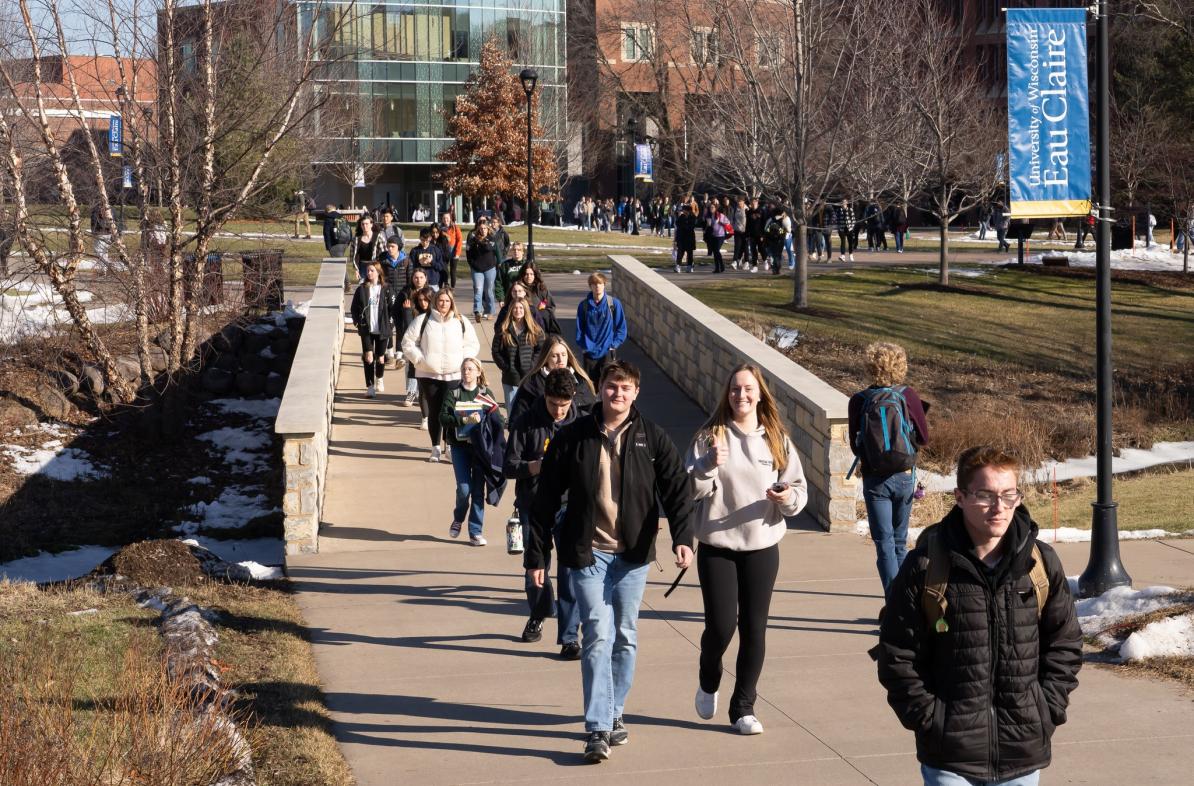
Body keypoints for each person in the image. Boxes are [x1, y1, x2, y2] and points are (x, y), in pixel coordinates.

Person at [874, 445, 1083, 786]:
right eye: (985, 495)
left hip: (1023, 752)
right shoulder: (926, 566)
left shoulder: (1040, 564)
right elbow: (897, 653)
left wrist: (1046, 709)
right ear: (960, 496)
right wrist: (931, 720)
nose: (999, 507)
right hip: (950, 755)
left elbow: (1066, 643)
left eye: (1009, 494)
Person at [526, 360, 696, 763]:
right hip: (588, 554)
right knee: (598, 636)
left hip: (633, 558)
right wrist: (537, 554)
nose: (617, 394)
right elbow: (546, 497)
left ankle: (615, 711)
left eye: (625, 388)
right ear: (600, 389)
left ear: (636, 393)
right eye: (610, 387)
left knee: (626, 636)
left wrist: (683, 539)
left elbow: (677, 490)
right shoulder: (574, 437)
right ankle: (599, 727)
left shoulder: (651, 438)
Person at [687, 364, 808, 736]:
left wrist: (786, 497)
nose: (741, 395)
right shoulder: (710, 436)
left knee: (754, 629)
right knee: (721, 627)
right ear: (727, 393)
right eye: (735, 388)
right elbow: (690, 490)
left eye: (748, 388)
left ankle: (743, 707)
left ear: (760, 394)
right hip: (718, 547)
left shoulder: (776, 439)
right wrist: (707, 465)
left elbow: (799, 493)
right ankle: (709, 679)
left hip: (761, 545)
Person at [505, 368, 583, 656]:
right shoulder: (526, 422)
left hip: (568, 506)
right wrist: (533, 467)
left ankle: (569, 637)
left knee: (570, 573)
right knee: (535, 571)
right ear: (545, 397)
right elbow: (508, 465)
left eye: (564, 405)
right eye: (553, 404)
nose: (559, 411)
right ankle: (538, 614)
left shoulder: (581, 424)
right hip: (533, 505)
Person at [849, 342, 930, 596]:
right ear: (901, 365)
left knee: (883, 544)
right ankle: (906, 602)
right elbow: (925, 439)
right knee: (899, 542)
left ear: (870, 366)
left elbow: (855, 445)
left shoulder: (859, 400)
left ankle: (894, 603)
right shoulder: (908, 396)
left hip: (875, 480)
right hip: (904, 477)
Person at [402, 288, 481, 462]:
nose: (443, 304)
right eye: (440, 301)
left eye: (447, 301)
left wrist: (463, 359)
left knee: (451, 412)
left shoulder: (461, 322)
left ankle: (450, 447)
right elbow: (407, 343)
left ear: (451, 302)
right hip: (428, 375)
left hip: (453, 375)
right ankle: (435, 448)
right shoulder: (422, 320)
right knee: (435, 411)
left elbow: (472, 344)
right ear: (435, 302)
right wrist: (419, 360)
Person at [441, 357, 503, 546]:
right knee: (464, 489)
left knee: (477, 490)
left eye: (470, 369)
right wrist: (464, 420)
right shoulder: (454, 393)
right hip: (459, 447)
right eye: (464, 369)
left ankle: (475, 532)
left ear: (478, 372)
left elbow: (497, 421)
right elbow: (443, 418)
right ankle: (459, 517)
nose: (466, 372)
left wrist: (494, 415)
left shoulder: (485, 393)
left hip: (480, 449)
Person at [509, 335, 597, 425]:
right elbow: (516, 420)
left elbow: (592, 414)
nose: (560, 360)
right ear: (546, 358)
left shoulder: (581, 381)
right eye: (554, 356)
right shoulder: (531, 385)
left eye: (563, 354)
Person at [349, 262, 395, 398]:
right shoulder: (362, 289)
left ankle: (379, 377)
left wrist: (390, 324)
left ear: (378, 272)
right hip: (366, 330)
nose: (369, 273)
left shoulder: (387, 289)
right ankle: (370, 386)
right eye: (367, 271)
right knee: (368, 357)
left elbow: (393, 309)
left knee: (380, 358)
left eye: (372, 271)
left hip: (382, 329)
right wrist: (357, 323)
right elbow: (354, 308)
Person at [491, 297, 545, 408]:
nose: (518, 310)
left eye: (521, 308)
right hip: (510, 377)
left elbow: (541, 349)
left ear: (526, 310)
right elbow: (496, 351)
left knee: (528, 410)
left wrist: (532, 365)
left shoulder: (534, 329)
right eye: (515, 308)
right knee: (512, 409)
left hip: (529, 377)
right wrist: (506, 367)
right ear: (511, 310)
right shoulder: (503, 329)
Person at [575, 272, 627, 382]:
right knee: (590, 385)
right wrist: (584, 346)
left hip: (607, 351)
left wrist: (614, 344)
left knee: (608, 383)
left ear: (604, 284)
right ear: (590, 286)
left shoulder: (613, 304)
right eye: (594, 284)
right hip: (589, 352)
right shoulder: (583, 306)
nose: (597, 286)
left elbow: (621, 328)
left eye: (600, 283)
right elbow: (579, 329)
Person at [396, 270, 430, 408]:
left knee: (424, 365)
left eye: (421, 277)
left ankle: (423, 392)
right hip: (411, 335)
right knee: (411, 364)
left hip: (427, 335)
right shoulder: (405, 293)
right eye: (416, 277)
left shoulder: (431, 293)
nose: (418, 280)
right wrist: (404, 316)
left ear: (426, 278)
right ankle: (411, 391)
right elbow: (396, 312)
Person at [466, 219, 501, 322]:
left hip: (490, 268)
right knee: (478, 289)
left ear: (488, 229)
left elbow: (497, 253)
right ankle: (478, 310)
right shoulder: (473, 240)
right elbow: (468, 254)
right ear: (478, 229)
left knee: (489, 290)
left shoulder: (492, 239)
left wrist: (499, 263)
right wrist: (472, 264)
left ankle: (490, 311)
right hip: (477, 269)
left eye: (485, 228)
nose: (483, 230)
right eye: (481, 228)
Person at [513, 260, 560, 334]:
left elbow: (551, 307)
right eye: (526, 274)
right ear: (522, 275)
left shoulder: (541, 288)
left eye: (531, 274)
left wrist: (541, 312)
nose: (529, 277)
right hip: (524, 327)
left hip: (542, 327)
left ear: (535, 275)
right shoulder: (518, 289)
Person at [350, 213, 383, 284]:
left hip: (375, 265)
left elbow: (383, 253)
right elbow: (353, 256)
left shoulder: (378, 237)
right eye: (363, 224)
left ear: (371, 224)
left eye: (367, 224)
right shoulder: (356, 239)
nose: (365, 226)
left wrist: (379, 267)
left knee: (375, 285)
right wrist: (356, 269)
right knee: (363, 286)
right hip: (362, 267)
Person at [440, 211, 464, 289]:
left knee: (453, 271)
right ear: (442, 219)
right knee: (444, 270)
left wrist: (457, 253)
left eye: (447, 218)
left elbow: (459, 240)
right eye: (444, 218)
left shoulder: (455, 228)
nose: (445, 220)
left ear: (450, 219)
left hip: (454, 252)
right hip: (444, 253)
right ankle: (446, 284)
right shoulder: (440, 228)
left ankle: (453, 288)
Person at [674, 200, 698, 274]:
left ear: (688, 211)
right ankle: (678, 266)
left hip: (689, 238)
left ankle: (689, 266)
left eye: (684, 210)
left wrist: (685, 226)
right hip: (681, 237)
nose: (683, 212)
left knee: (689, 253)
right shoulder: (681, 217)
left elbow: (691, 226)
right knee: (680, 252)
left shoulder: (692, 217)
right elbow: (677, 224)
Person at [836, 198, 858, 263]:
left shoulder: (850, 210)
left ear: (847, 203)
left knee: (850, 242)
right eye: (842, 202)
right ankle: (842, 255)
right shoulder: (839, 210)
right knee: (843, 242)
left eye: (845, 202)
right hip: (842, 228)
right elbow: (837, 219)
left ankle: (851, 254)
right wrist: (838, 227)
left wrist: (851, 227)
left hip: (849, 228)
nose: (843, 203)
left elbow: (853, 220)